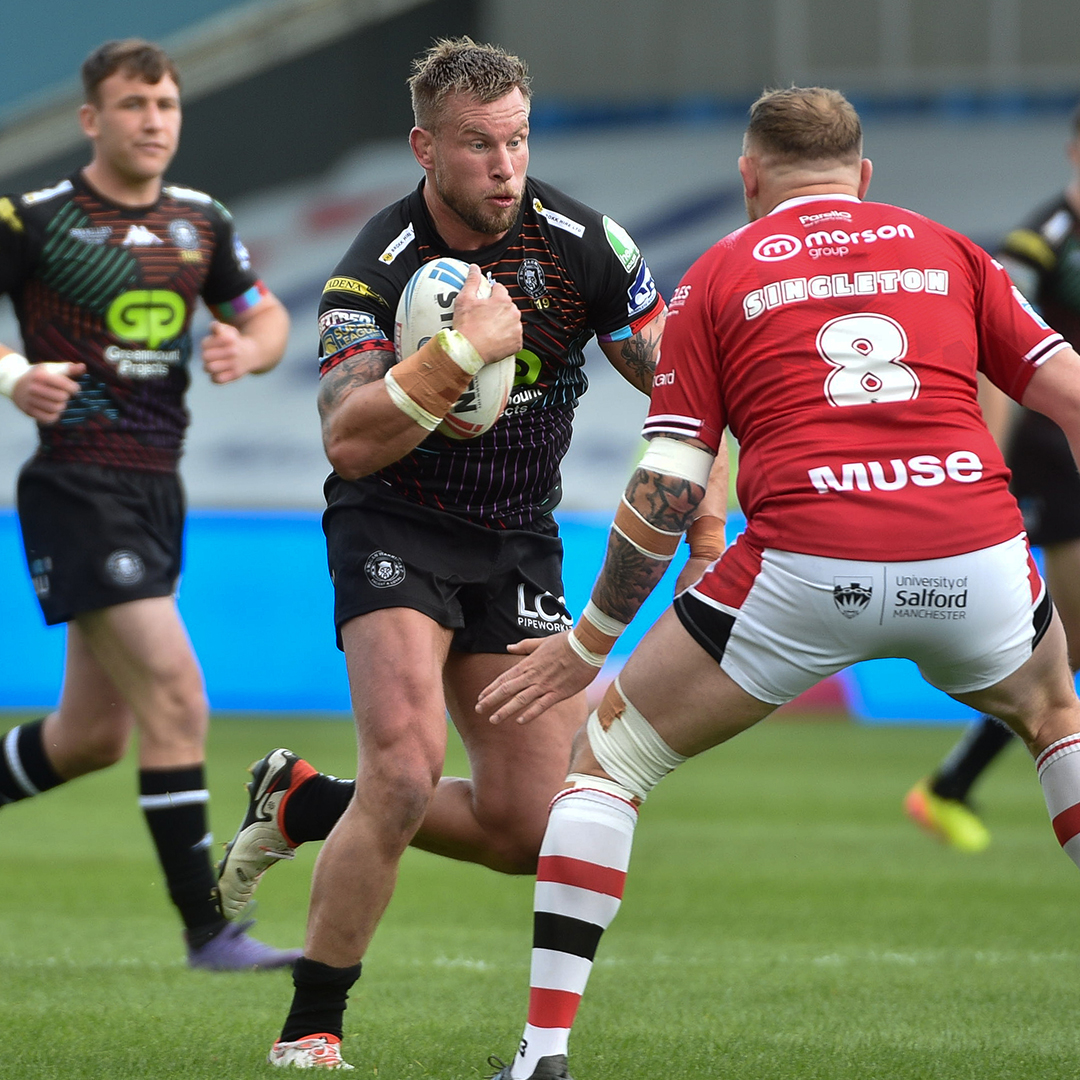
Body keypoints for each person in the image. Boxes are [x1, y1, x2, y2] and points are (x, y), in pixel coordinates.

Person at [475, 86, 1080, 1080]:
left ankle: (543, 1057)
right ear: (865, 176)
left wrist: (591, 641)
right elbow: (1068, 394)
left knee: (604, 765)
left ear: (748, 179)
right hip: (973, 552)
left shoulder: (716, 277)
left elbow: (669, 481)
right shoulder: (954, 252)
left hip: (806, 567)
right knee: (1058, 717)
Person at [240, 35, 723, 1072]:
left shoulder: (583, 243)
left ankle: (304, 804)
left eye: (517, 141)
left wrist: (711, 524)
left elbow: (688, 389)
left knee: (524, 829)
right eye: (478, 146)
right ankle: (312, 1023)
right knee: (407, 774)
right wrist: (461, 350)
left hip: (516, 542)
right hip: (394, 527)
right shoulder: (372, 267)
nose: (504, 166)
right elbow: (348, 435)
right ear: (425, 149)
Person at [0, 39, 298, 971]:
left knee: (90, 737)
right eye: (133, 105)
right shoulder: (37, 218)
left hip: (154, 486)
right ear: (92, 119)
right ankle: (209, 932)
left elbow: (267, 315)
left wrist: (250, 350)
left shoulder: (200, 223)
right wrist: (13, 374)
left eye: (165, 104)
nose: (154, 121)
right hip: (76, 481)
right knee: (178, 697)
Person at [904, 101, 1080, 852]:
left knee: (1071, 645)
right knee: (1067, 641)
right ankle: (949, 784)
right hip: (1049, 457)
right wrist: (990, 465)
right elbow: (1006, 362)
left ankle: (951, 784)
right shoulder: (1041, 244)